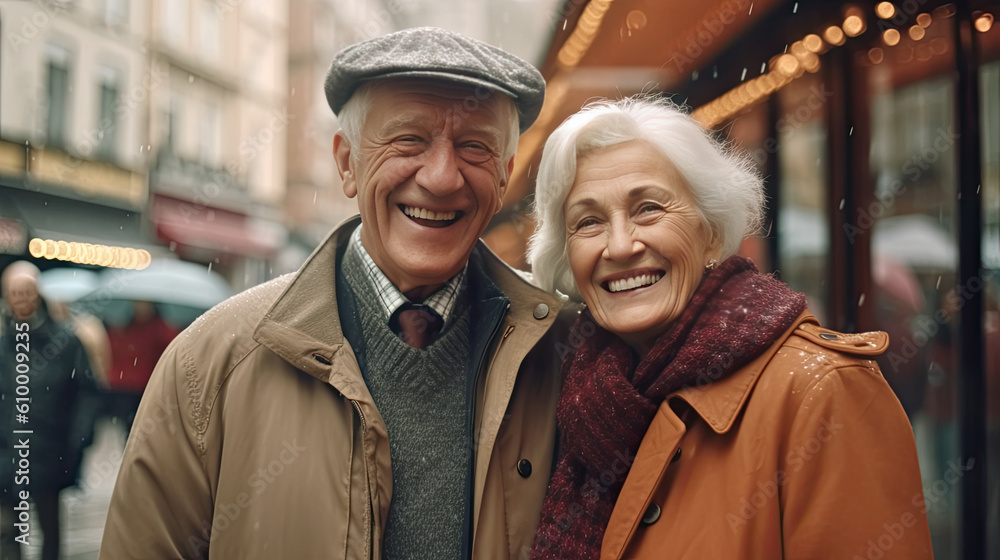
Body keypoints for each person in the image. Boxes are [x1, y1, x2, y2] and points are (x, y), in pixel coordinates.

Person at [101, 27, 569, 559]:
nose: (441, 178)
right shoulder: (210, 363)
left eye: (475, 147)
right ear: (347, 163)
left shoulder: (566, 355)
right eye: (409, 140)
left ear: (506, 176)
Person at [526, 97, 933, 559]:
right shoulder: (573, 399)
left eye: (648, 209)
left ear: (713, 233)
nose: (619, 245)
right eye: (589, 222)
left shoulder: (823, 391)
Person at [1, 262, 95, 560]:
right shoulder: (4, 345)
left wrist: (77, 441)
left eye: (27, 292)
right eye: (14, 293)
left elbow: (86, 392)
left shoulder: (65, 341)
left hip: (50, 451)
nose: (21, 299)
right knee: (9, 531)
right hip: (7, 455)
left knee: (50, 529)